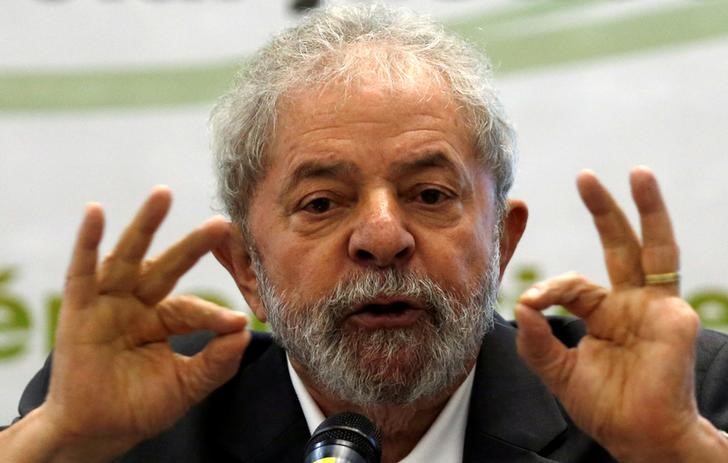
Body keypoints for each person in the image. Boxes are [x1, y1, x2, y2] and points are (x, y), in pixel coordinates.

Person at [2, 4, 728, 462]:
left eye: (430, 193)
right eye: (322, 202)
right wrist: (54, 443)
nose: (383, 236)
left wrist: (680, 453)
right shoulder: (130, 426)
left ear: (502, 243)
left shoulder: (680, 397)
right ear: (247, 267)